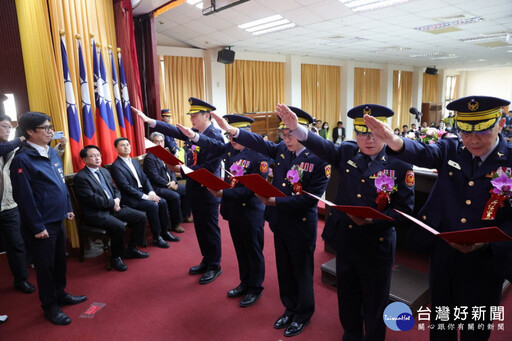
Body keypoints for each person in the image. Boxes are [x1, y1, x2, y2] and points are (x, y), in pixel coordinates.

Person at [364, 95, 512, 340]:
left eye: (482, 132)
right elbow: (422, 153)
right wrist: (393, 140)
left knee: (475, 326)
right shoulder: (451, 148)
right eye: (465, 132)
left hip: (487, 261)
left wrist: (487, 242)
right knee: (441, 321)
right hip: (444, 255)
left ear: (501, 123)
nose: (472, 139)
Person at [277, 103, 415, 340]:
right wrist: (297, 129)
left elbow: (404, 210)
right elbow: (324, 146)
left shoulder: (400, 164)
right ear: (355, 134)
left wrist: (375, 220)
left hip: (377, 243)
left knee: (375, 299)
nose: (368, 140)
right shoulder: (348, 153)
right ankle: (350, 334)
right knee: (348, 295)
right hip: (348, 239)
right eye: (362, 133)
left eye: (375, 133)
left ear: (386, 131)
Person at [211, 107, 330, 337]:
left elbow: (308, 200)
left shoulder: (319, 159)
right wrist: (233, 131)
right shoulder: (281, 151)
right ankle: (289, 307)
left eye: (291, 135)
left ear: (303, 132)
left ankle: (303, 313)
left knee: (302, 273)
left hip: (301, 225)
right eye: (283, 135)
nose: (287, 140)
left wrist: (275, 201)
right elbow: (258, 143)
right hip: (280, 222)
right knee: (285, 270)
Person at [175, 114, 269, 307]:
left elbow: (251, 190)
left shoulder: (259, 156)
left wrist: (223, 194)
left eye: (235, 136)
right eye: (229, 136)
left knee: (253, 251)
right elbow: (213, 148)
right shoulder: (230, 151)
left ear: (247, 135)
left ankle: (255, 287)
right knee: (240, 250)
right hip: (234, 210)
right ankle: (244, 282)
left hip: (250, 212)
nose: (231, 140)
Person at [136, 97, 224, 285]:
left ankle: (214, 265)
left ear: (207, 116)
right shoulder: (193, 132)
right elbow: (174, 131)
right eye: (190, 115)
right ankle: (206, 260)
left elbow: (209, 167)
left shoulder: (215, 136)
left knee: (210, 229)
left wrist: (180, 169)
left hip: (208, 189)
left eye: (195, 115)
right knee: (201, 228)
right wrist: (150, 121)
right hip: (194, 187)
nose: (191, 119)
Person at [10, 111, 87, 325]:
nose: (50, 131)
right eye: (45, 128)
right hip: (42, 223)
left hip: (58, 216)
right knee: (45, 267)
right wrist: (36, 226)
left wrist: (67, 206)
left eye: (50, 126)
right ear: (30, 131)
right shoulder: (22, 159)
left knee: (59, 261)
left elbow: (60, 182)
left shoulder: (51, 152)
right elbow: (24, 197)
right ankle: (50, 306)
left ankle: (60, 293)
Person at [74, 145, 149, 271]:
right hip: (96, 213)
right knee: (119, 226)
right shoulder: (81, 177)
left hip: (113, 207)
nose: (97, 158)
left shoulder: (104, 171)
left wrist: (117, 200)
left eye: (98, 155)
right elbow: (92, 199)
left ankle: (131, 249)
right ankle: (116, 257)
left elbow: (115, 189)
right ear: (85, 160)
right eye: (92, 156)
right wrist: (112, 204)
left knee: (141, 216)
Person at [110, 137, 179, 250]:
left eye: (128, 144)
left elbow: (145, 179)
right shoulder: (116, 166)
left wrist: (151, 192)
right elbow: (125, 187)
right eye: (122, 145)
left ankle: (164, 231)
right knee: (152, 205)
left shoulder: (134, 161)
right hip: (130, 197)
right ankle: (156, 237)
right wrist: (148, 197)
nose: (126, 147)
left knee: (162, 202)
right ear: (116, 149)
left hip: (143, 193)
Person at [0, 113, 35, 294]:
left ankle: (21, 280)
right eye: (5, 126)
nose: (8, 130)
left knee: (16, 245)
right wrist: (21, 137)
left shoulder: (13, 148)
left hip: (9, 205)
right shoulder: (10, 145)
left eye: (10, 127)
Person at [143, 132, 187, 233]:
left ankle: (185, 215)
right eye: (157, 142)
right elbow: (154, 177)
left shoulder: (165, 154)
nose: (160, 144)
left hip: (170, 184)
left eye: (161, 141)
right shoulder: (150, 158)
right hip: (157, 187)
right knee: (175, 196)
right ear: (152, 143)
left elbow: (172, 171)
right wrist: (168, 185)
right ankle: (175, 224)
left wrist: (174, 182)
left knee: (187, 190)